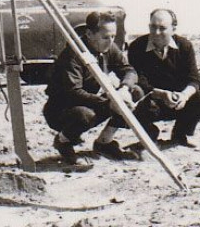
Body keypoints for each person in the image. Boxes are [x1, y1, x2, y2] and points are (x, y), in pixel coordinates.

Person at [43, 12, 144, 165]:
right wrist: (109, 102)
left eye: (113, 36)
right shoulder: (73, 55)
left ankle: (104, 142)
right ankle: (63, 142)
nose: (110, 42)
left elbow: (129, 71)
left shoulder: (108, 47)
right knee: (85, 115)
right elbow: (73, 92)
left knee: (135, 92)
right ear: (89, 34)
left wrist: (124, 89)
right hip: (63, 109)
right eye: (105, 37)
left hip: (91, 102)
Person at [127, 8, 200, 148]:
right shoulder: (137, 47)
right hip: (152, 102)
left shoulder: (185, 46)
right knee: (135, 93)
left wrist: (184, 96)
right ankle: (149, 134)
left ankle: (180, 134)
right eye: (153, 27)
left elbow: (194, 78)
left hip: (178, 102)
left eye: (162, 28)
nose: (156, 33)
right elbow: (140, 80)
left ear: (173, 29)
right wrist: (161, 94)